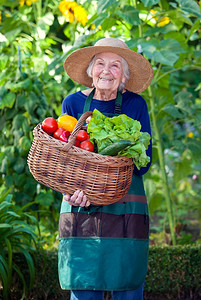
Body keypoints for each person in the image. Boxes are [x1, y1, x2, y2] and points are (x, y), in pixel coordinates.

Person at [58, 37, 153, 300]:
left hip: (125, 206)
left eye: (115, 65)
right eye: (100, 63)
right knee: (84, 285)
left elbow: (144, 164)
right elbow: (64, 158)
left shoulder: (136, 105)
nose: (106, 71)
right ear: (90, 71)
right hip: (81, 205)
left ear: (124, 75)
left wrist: (106, 180)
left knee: (128, 286)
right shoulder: (73, 104)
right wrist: (68, 190)